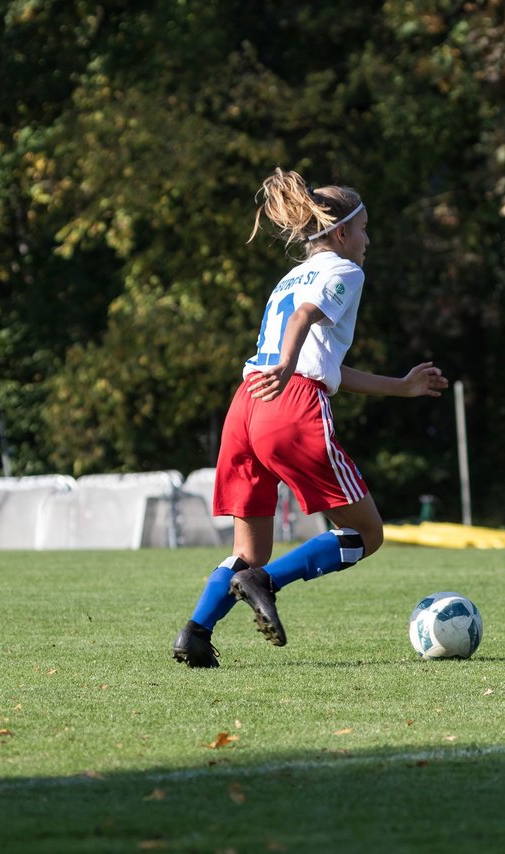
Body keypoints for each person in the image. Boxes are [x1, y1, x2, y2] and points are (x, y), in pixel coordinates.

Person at [172, 168, 449, 668]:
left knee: (248, 549)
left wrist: (401, 386)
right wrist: (286, 366)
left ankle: (195, 633)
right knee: (367, 535)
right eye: (363, 229)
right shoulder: (345, 271)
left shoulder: (289, 278)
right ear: (340, 233)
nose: (367, 240)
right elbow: (303, 325)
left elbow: (327, 362)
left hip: (247, 403)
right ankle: (267, 583)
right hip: (289, 400)